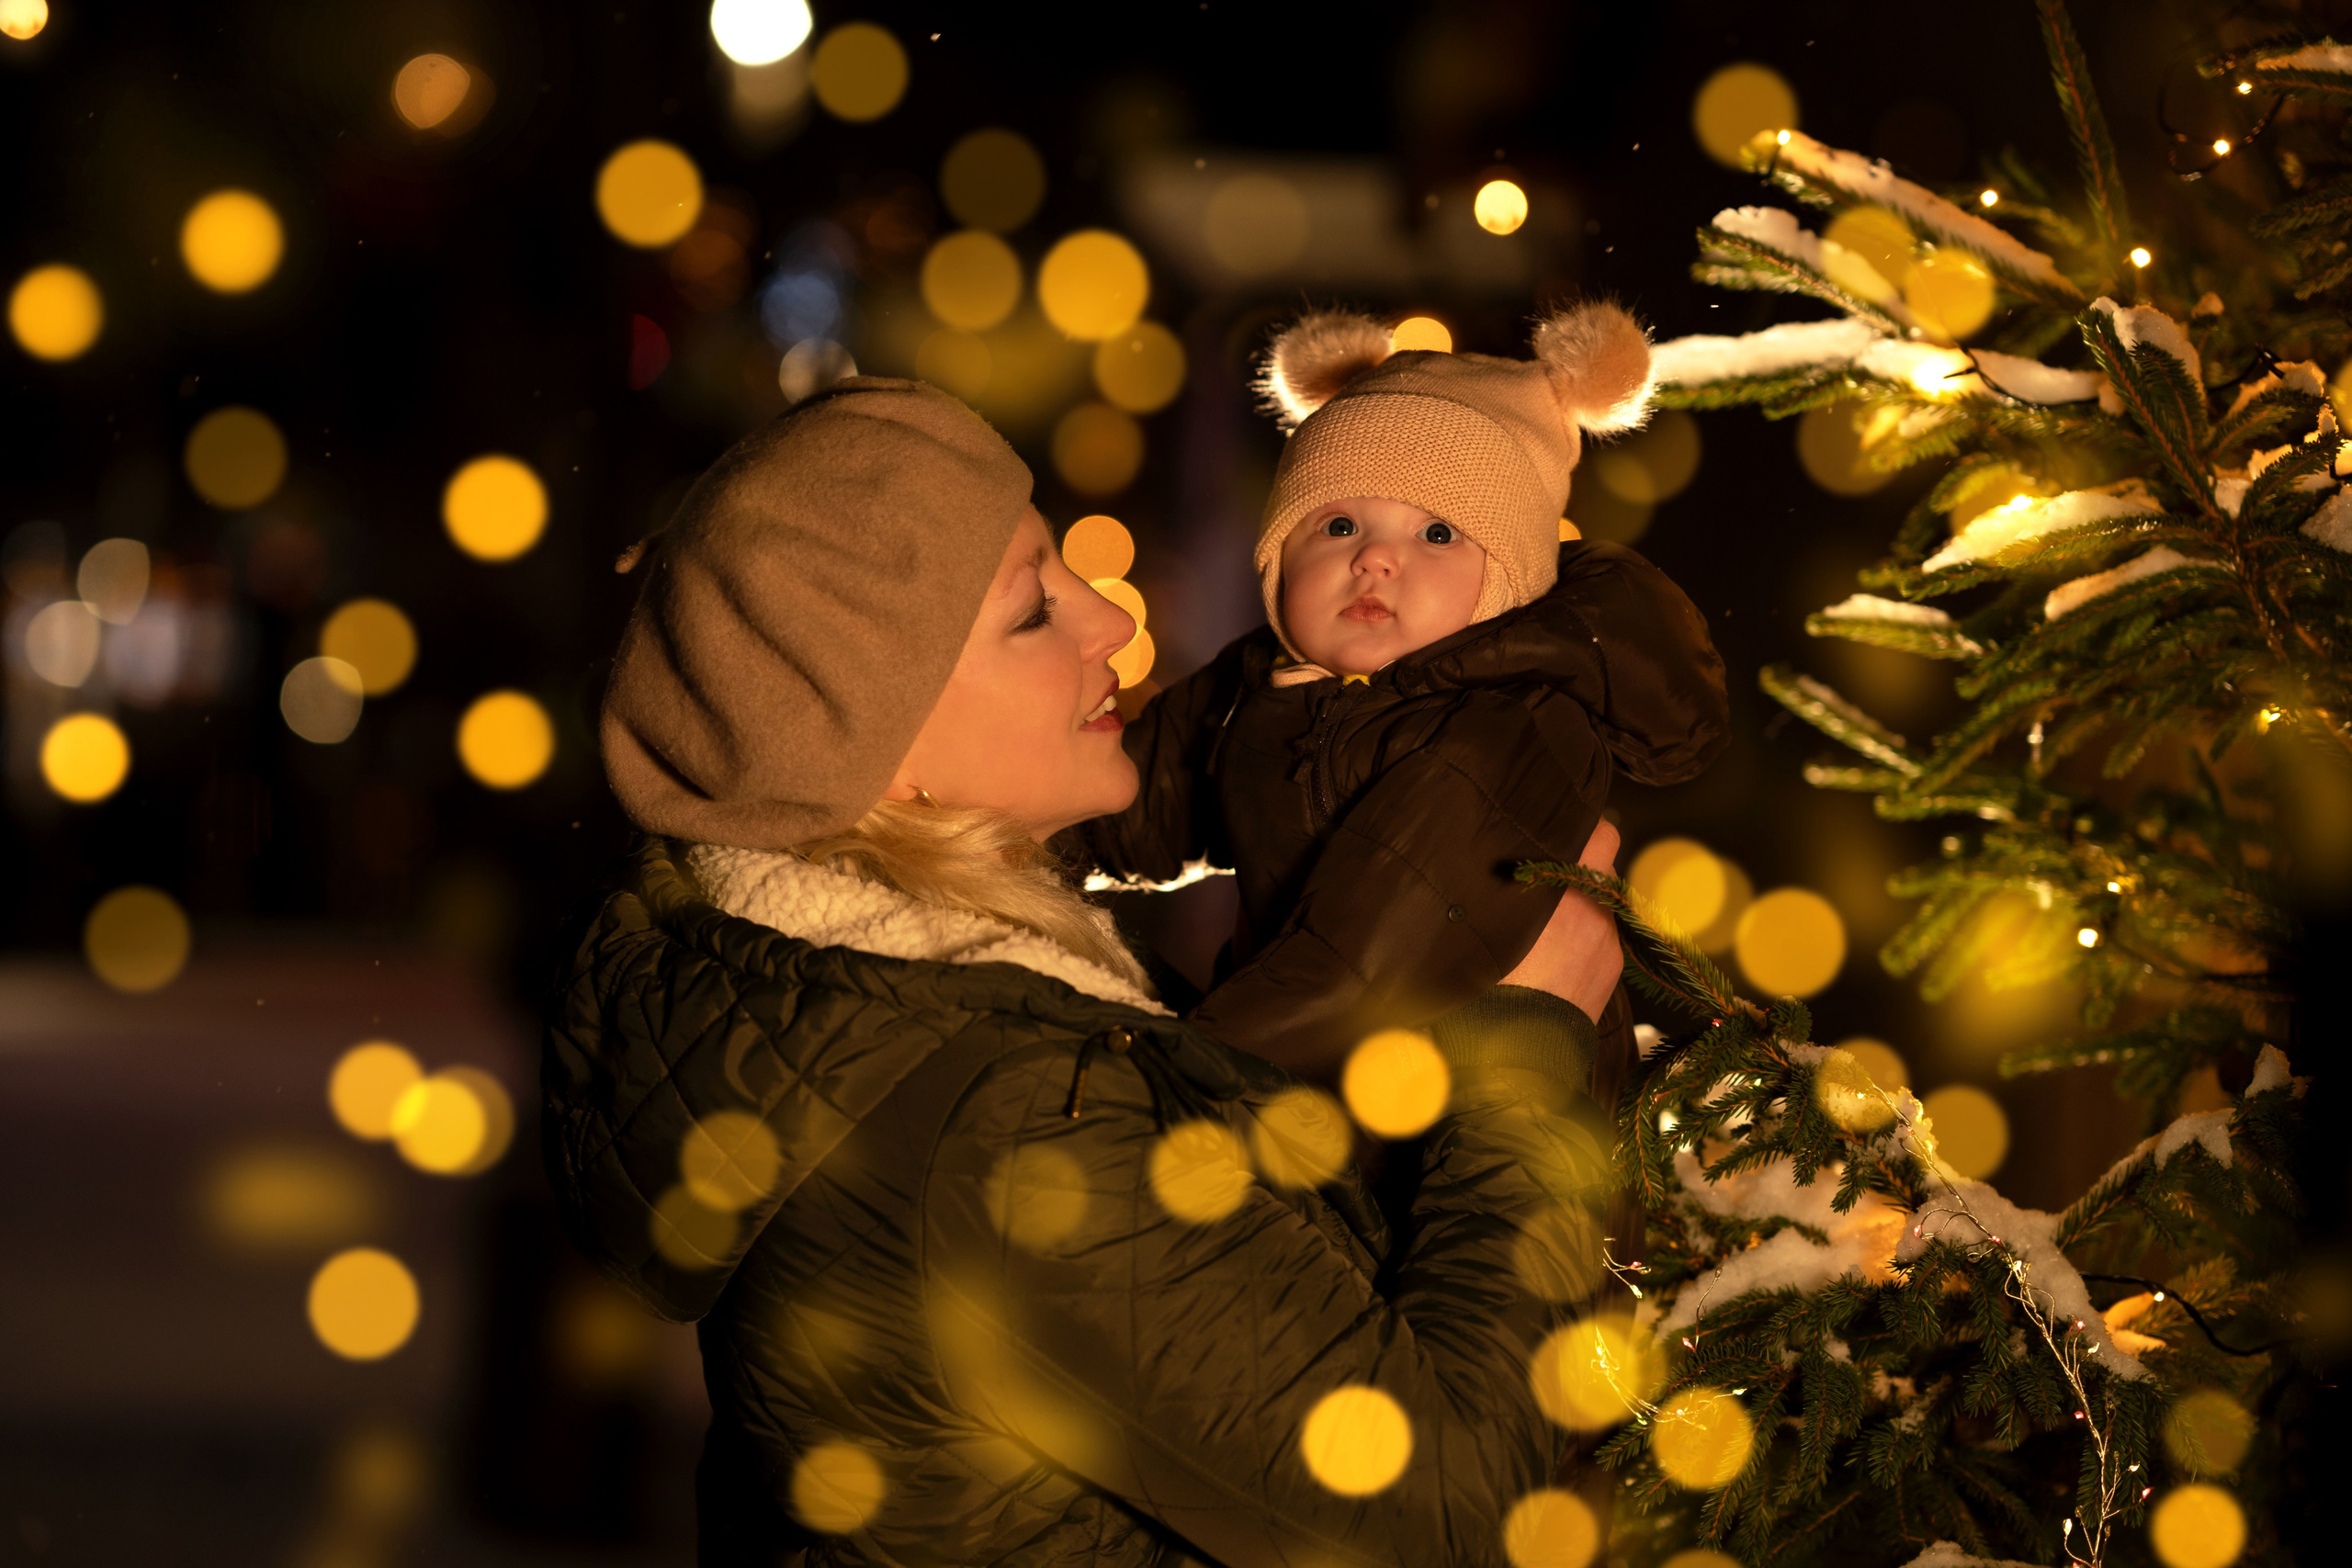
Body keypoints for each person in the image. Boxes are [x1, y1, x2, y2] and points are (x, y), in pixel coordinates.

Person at [548, 378, 1627, 1567]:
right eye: (1031, 610)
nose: (1109, 623)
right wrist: (1527, 1052)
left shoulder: (899, 994)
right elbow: (1444, 1514)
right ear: (880, 748)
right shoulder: (998, 1123)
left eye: (1067, 570)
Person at [1080, 305, 1728, 1082]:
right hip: (1321, 1098)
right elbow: (1117, 810)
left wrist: (1164, 1079)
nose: (1376, 560)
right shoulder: (1258, 681)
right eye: (1342, 524)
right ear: (1279, 555)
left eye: (1439, 534)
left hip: (1476, 1136)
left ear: (1509, 591)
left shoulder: (1505, 730)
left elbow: (1363, 969)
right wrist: (980, 862)